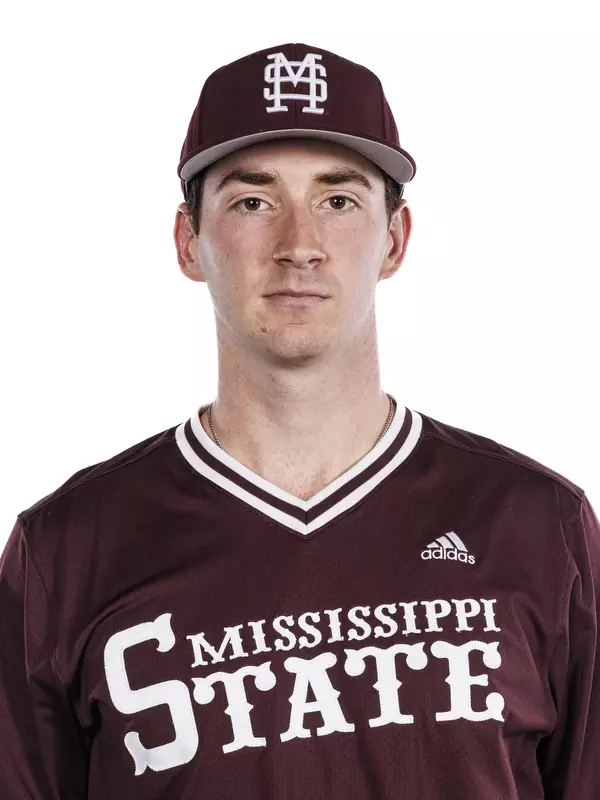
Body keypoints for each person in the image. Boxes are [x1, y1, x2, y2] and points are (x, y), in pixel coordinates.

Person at [0, 41, 598, 800]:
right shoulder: (66, 553)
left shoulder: (539, 525)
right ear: (189, 243)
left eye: (338, 200)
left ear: (396, 239)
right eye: (253, 202)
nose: (299, 246)